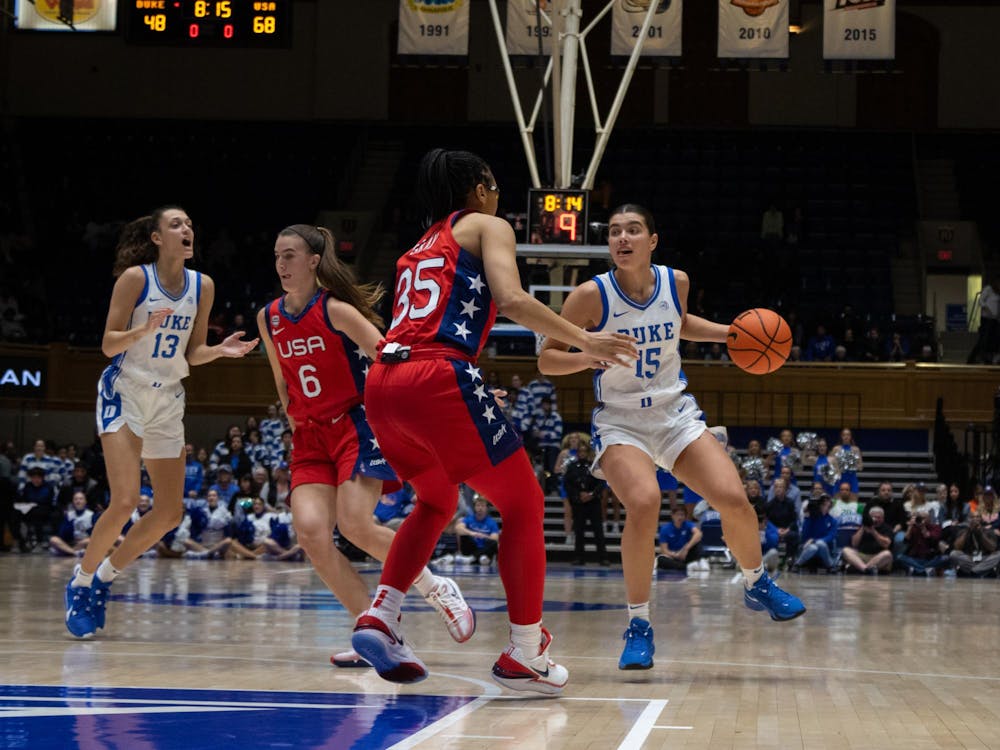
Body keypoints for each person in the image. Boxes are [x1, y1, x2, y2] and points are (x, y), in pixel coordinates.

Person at [350, 149, 637, 694]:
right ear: (479, 188)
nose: (500, 197)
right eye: (497, 186)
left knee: (434, 501)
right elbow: (510, 299)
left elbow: (419, 329)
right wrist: (586, 339)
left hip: (385, 384)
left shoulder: (416, 247)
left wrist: (460, 382)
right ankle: (525, 651)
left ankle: (382, 617)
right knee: (524, 503)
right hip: (437, 378)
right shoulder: (487, 224)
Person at [538, 202, 805, 672]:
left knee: (735, 499)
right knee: (644, 503)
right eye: (615, 232)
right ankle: (638, 625)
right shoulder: (589, 296)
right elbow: (547, 359)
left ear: (652, 241)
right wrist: (589, 354)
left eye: (633, 230)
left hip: (674, 413)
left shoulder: (674, 281)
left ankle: (756, 582)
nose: (622, 239)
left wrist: (733, 334)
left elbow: (679, 323)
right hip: (621, 420)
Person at [258, 222, 476, 667]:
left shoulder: (335, 309)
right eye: (278, 255)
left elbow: (389, 353)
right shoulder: (269, 317)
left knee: (354, 524)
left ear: (314, 261)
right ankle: (377, 632)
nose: (282, 264)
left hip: (357, 424)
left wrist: (451, 384)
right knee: (312, 534)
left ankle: (436, 588)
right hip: (310, 436)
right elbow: (282, 379)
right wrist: (291, 412)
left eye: (290, 255)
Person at [63, 206, 259, 638]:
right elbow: (108, 344)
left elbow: (192, 352)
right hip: (126, 391)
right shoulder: (136, 279)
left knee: (169, 513)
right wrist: (143, 329)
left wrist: (219, 351)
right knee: (125, 500)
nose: (187, 229)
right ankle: (80, 583)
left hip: (168, 397)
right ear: (156, 237)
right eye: (176, 224)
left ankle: (105, 578)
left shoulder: (202, 285)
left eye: (190, 223)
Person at [563, 441, 608, 566]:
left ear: (588, 453)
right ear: (577, 453)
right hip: (578, 503)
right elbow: (568, 484)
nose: (582, 453)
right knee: (579, 531)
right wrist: (578, 496)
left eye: (584, 451)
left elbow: (601, 483)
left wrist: (592, 494)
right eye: (580, 451)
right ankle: (579, 557)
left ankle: (603, 557)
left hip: (593, 502)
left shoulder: (594, 466)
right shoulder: (571, 467)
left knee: (598, 530)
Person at [790, 495, 838, 573]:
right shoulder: (811, 519)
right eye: (823, 505)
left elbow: (831, 536)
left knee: (820, 543)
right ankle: (797, 564)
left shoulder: (832, 521)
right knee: (813, 547)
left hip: (825, 550)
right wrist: (807, 517)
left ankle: (830, 565)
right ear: (819, 505)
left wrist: (814, 540)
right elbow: (804, 536)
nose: (825, 507)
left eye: (827, 505)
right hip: (809, 548)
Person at [840, 505, 893, 574]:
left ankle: (859, 568)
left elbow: (886, 544)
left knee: (887, 554)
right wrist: (863, 528)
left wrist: (873, 532)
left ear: (883, 518)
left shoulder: (887, 528)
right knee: (845, 550)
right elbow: (854, 543)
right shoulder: (863, 526)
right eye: (874, 517)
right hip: (862, 557)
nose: (876, 519)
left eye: (879, 517)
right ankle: (865, 569)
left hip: (878, 557)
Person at [897, 510, 950, 576]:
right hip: (915, 559)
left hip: (930, 559)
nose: (921, 520)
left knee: (946, 558)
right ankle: (924, 570)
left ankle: (916, 569)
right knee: (899, 557)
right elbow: (905, 540)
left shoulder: (936, 527)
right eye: (919, 518)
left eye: (923, 518)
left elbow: (931, 538)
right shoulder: (913, 527)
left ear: (929, 518)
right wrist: (910, 526)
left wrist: (923, 528)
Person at [656, 506, 705, 573]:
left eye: (682, 515)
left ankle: (702, 560)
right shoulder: (665, 529)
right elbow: (664, 550)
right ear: (672, 516)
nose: (680, 517)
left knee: (697, 543)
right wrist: (676, 555)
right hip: (673, 556)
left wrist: (686, 548)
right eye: (677, 515)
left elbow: (698, 534)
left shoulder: (688, 524)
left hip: (685, 554)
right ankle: (686, 567)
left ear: (685, 516)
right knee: (661, 560)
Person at [454, 495, 500, 565]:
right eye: (478, 506)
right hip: (471, 548)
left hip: (484, 549)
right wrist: (472, 533)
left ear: (486, 508)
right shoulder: (469, 518)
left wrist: (483, 536)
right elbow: (458, 528)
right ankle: (476, 558)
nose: (480, 508)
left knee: (493, 543)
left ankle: (472, 558)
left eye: (482, 506)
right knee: (463, 534)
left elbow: (495, 538)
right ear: (475, 507)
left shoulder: (491, 522)